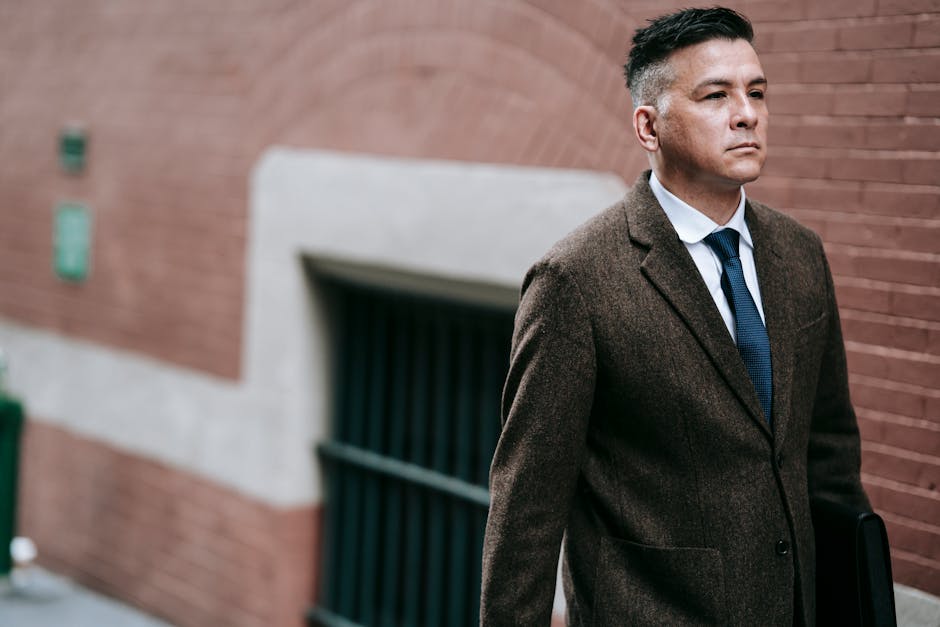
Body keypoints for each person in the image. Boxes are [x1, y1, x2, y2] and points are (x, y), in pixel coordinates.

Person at [480, 7, 870, 626]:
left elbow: (829, 456)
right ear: (649, 125)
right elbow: (526, 509)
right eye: (716, 95)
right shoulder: (574, 281)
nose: (747, 113)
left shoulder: (801, 255)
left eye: (757, 92)